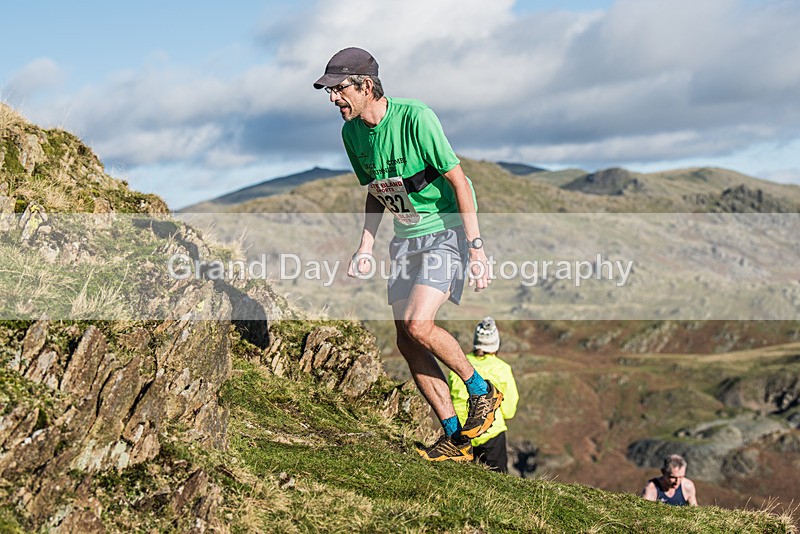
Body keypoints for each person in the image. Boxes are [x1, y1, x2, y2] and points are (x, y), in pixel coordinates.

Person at [314, 47, 502, 462]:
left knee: (420, 324)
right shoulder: (351, 134)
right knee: (406, 339)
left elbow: (459, 181)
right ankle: (455, 438)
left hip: (446, 231)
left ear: (366, 86)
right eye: (328, 92)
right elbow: (375, 192)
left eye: (339, 90)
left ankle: (481, 391)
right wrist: (365, 245)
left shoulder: (416, 116)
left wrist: (476, 248)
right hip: (406, 238)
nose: (333, 99)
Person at [448, 317, 519, 473]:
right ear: (495, 344)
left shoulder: (458, 364)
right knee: (498, 477)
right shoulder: (502, 369)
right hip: (491, 430)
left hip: (461, 430)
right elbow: (509, 409)